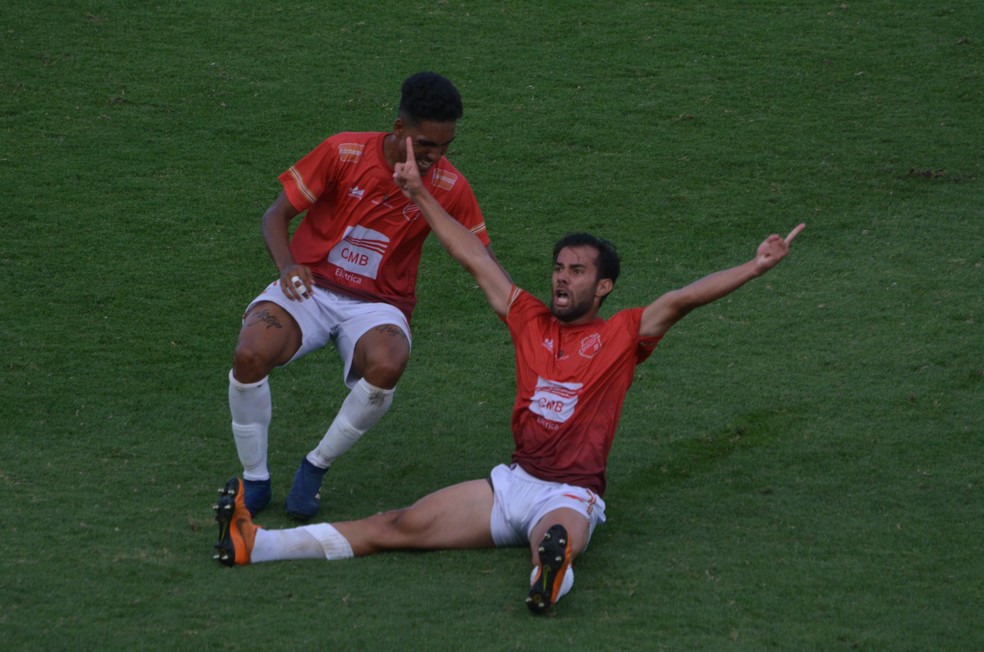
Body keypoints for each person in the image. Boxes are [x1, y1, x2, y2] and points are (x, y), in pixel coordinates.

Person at [213, 137, 806, 614]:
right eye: (557, 268)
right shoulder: (528, 318)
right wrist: (419, 195)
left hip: (572, 491)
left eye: (576, 272)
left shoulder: (624, 333)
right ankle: (256, 545)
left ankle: (550, 575)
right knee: (394, 526)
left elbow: (682, 299)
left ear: (603, 287)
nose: (561, 279)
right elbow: (471, 255)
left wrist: (754, 267)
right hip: (510, 484)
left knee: (560, 538)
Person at [227, 73, 498, 521]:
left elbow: (480, 256)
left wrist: (526, 310)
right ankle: (254, 477)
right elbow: (275, 214)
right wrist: (287, 265)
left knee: (388, 362)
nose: (436, 157)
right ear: (398, 129)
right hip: (309, 286)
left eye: (446, 146)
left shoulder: (449, 186)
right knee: (249, 354)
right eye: (426, 145)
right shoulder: (343, 152)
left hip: (378, 305)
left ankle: (315, 466)